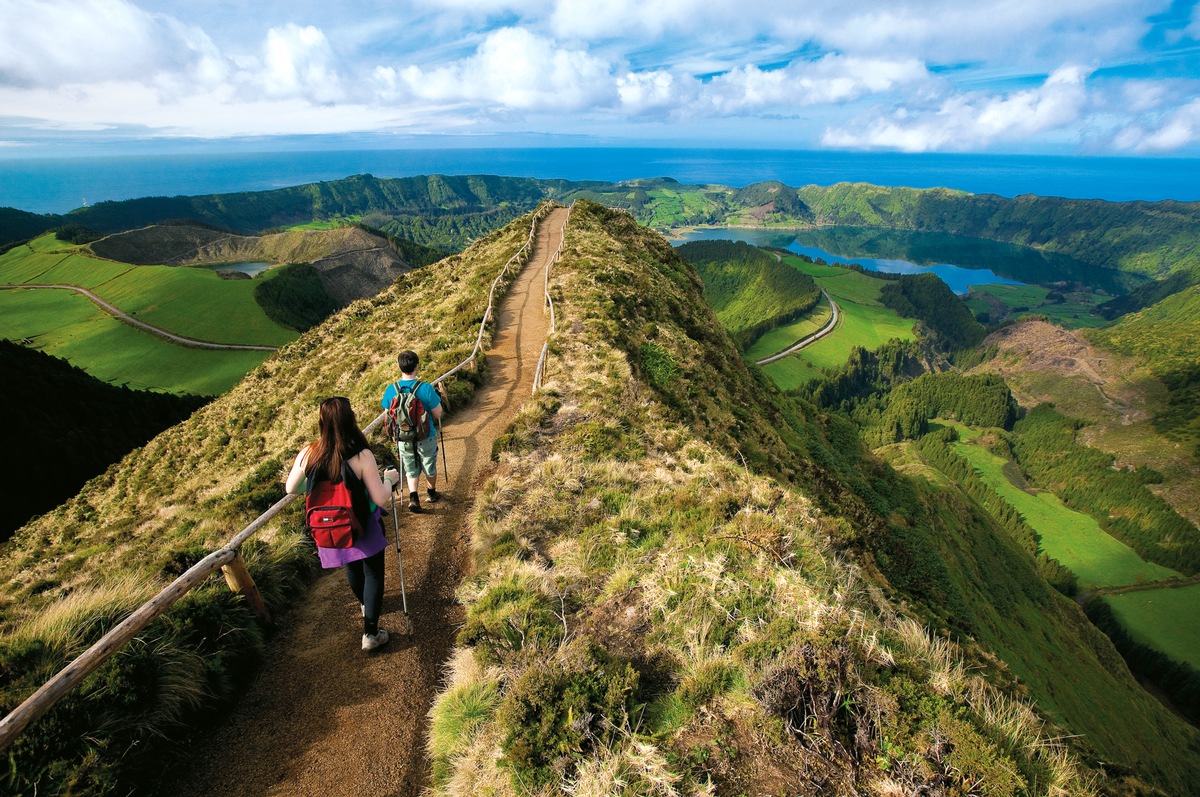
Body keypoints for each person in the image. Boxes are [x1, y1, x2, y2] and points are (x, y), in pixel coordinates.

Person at [286, 396, 400, 652]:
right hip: (362, 523)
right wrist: (389, 480)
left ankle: (364, 606)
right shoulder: (360, 455)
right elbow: (380, 497)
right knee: (373, 572)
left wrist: (321, 489)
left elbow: (290, 487)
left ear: (321, 422)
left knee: (352, 566)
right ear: (351, 420)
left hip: (331, 526)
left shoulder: (308, 453)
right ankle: (370, 632)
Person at [380, 349, 445, 513]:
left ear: (399, 366)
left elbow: (388, 415)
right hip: (426, 435)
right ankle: (431, 493)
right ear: (417, 366)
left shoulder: (391, 389)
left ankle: (414, 497)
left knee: (410, 468)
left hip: (403, 437)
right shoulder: (425, 388)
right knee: (429, 465)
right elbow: (438, 414)